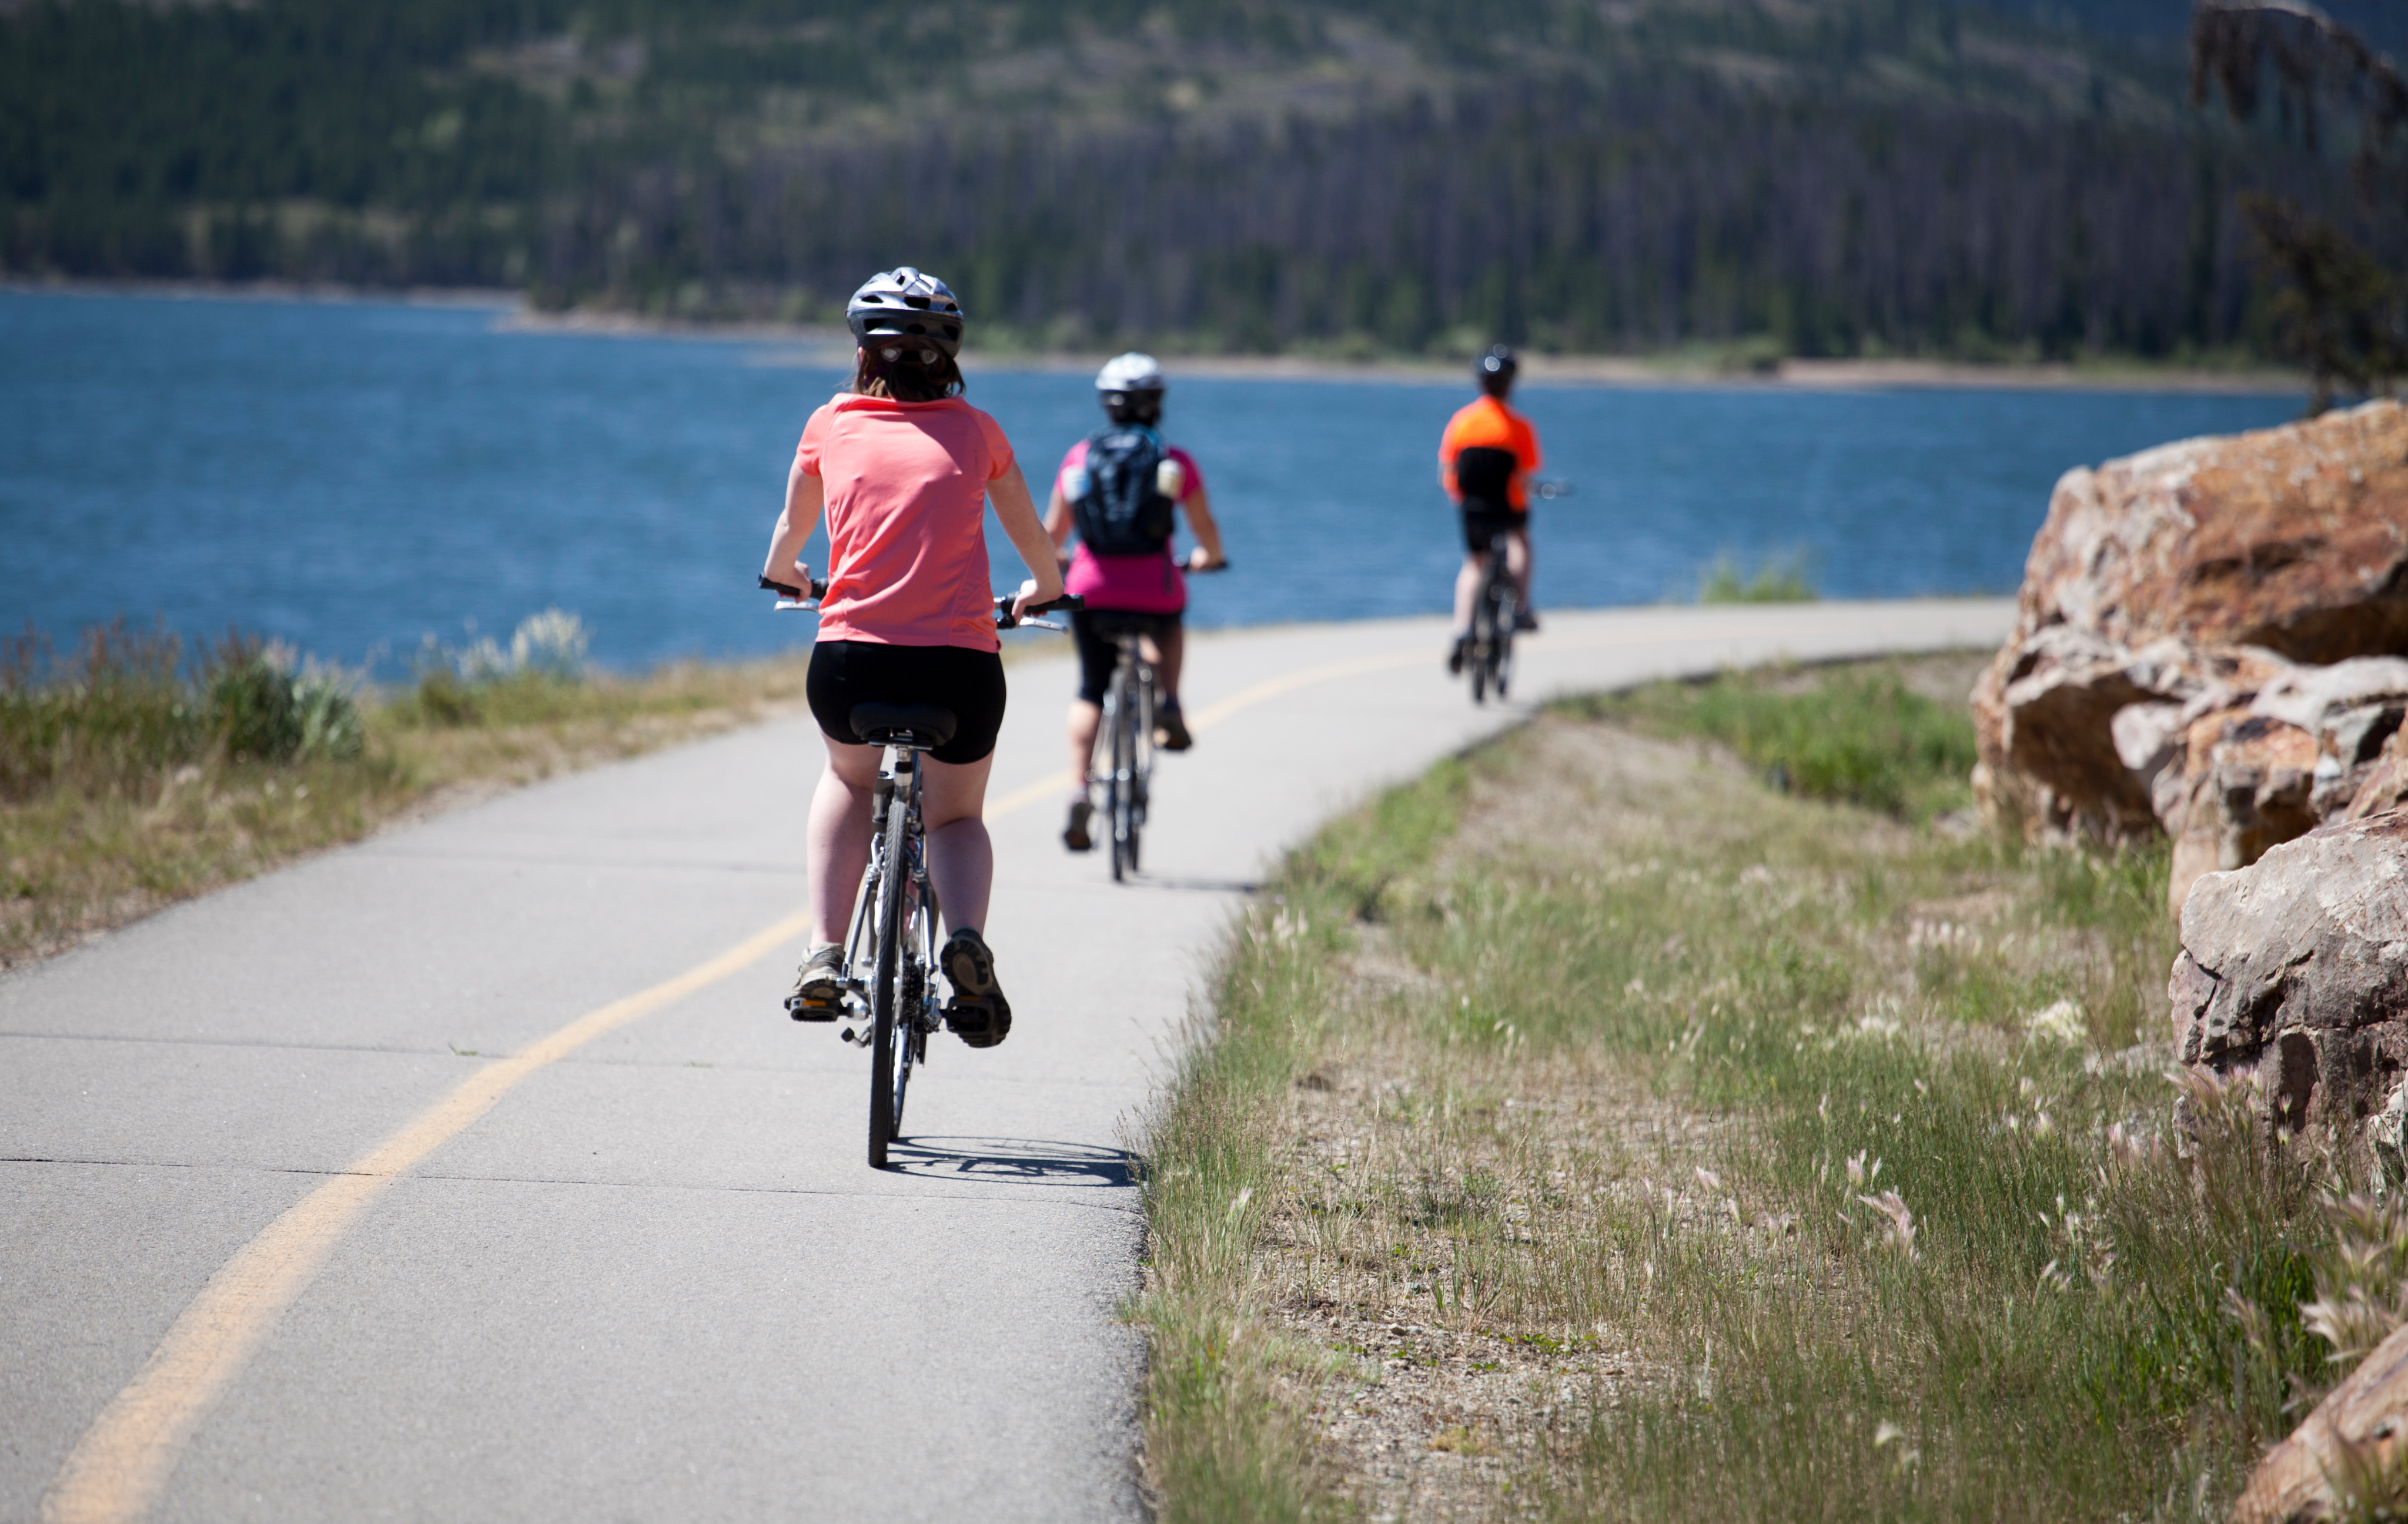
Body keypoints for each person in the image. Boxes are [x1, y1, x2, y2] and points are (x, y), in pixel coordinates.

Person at [760, 267, 1065, 1049]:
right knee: (957, 812)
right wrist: (1041, 590)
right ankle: (963, 937)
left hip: (851, 663)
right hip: (958, 669)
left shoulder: (830, 424)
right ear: (950, 357)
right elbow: (1035, 541)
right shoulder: (979, 433)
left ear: (865, 352)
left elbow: (789, 536)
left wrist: (790, 576)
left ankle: (826, 954)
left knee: (846, 778)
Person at [1044, 351, 1226, 853]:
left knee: (1089, 689)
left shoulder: (1079, 457)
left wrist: (1060, 560)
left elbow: (1052, 532)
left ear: (1108, 404)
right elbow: (1204, 529)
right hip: (1155, 587)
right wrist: (1210, 556)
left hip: (1090, 589)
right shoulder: (1172, 461)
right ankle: (1169, 702)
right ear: (1157, 403)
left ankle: (1080, 788)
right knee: (1168, 624)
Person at [1438, 344, 1543, 671]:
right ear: (1510, 384)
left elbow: (1448, 472)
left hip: (1471, 507)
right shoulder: (1518, 427)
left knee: (1473, 565)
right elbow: (1525, 477)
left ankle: (1462, 630)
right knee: (1520, 542)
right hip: (1506, 507)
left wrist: (1461, 497)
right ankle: (1521, 607)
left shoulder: (1462, 422)